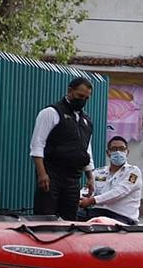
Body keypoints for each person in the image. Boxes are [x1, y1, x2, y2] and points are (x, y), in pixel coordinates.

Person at [30, 76, 95, 221]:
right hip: (52, 174)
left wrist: (90, 177)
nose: (83, 100)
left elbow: (86, 148)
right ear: (70, 91)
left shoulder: (86, 120)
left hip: (73, 177)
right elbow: (37, 145)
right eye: (80, 96)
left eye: (86, 98)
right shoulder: (51, 113)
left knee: (70, 219)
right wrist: (42, 174)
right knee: (45, 217)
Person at [78, 136, 142, 225]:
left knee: (100, 221)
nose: (118, 152)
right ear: (108, 153)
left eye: (122, 149)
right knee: (71, 215)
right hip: (97, 212)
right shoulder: (98, 172)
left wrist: (92, 201)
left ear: (127, 152)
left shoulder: (133, 172)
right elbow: (87, 191)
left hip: (122, 217)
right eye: (114, 149)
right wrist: (79, 198)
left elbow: (119, 192)